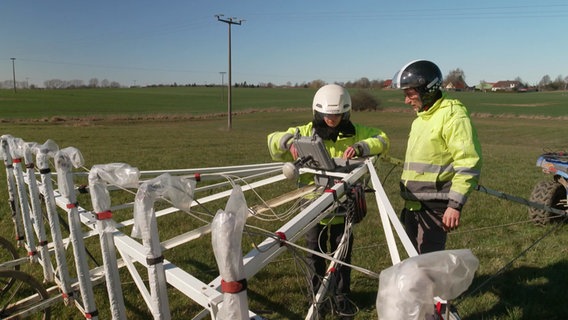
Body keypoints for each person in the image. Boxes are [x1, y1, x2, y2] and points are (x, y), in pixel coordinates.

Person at [267, 84, 389, 319]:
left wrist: (362, 146)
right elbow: (272, 140)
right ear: (317, 112)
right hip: (313, 207)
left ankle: (342, 298)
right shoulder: (303, 132)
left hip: (344, 205)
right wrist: (288, 143)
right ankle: (317, 298)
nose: (332, 120)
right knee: (314, 253)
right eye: (327, 115)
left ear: (346, 113)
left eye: (337, 115)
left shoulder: (356, 132)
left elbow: (382, 139)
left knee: (342, 252)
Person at [391, 59, 482, 254]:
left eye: (410, 94)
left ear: (427, 90)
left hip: (433, 206)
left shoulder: (453, 115)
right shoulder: (422, 117)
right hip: (413, 204)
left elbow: (468, 163)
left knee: (429, 266)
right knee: (414, 261)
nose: (406, 100)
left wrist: (455, 205)